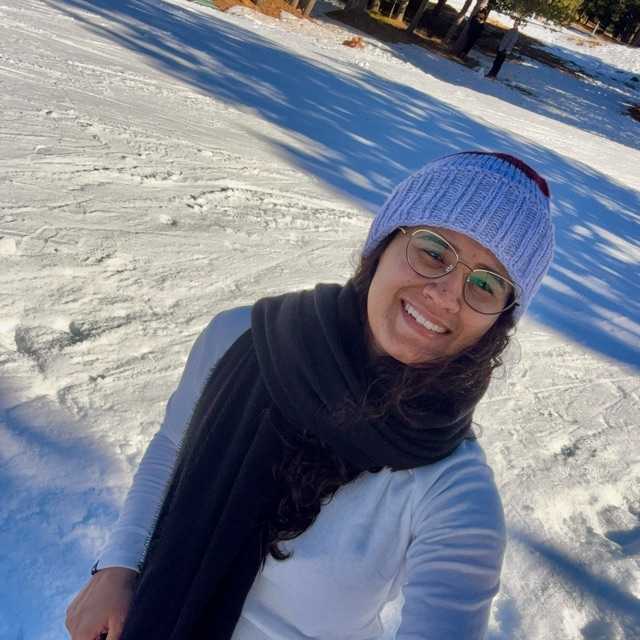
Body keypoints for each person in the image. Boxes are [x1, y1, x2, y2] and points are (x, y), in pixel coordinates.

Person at [66, 151, 554, 640]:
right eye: (433, 251)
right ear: (384, 243)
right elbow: (174, 447)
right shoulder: (241, 339)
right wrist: (118, 566)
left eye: (486, 283)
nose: (446, 294)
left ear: (498, 321)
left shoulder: (454, 493)